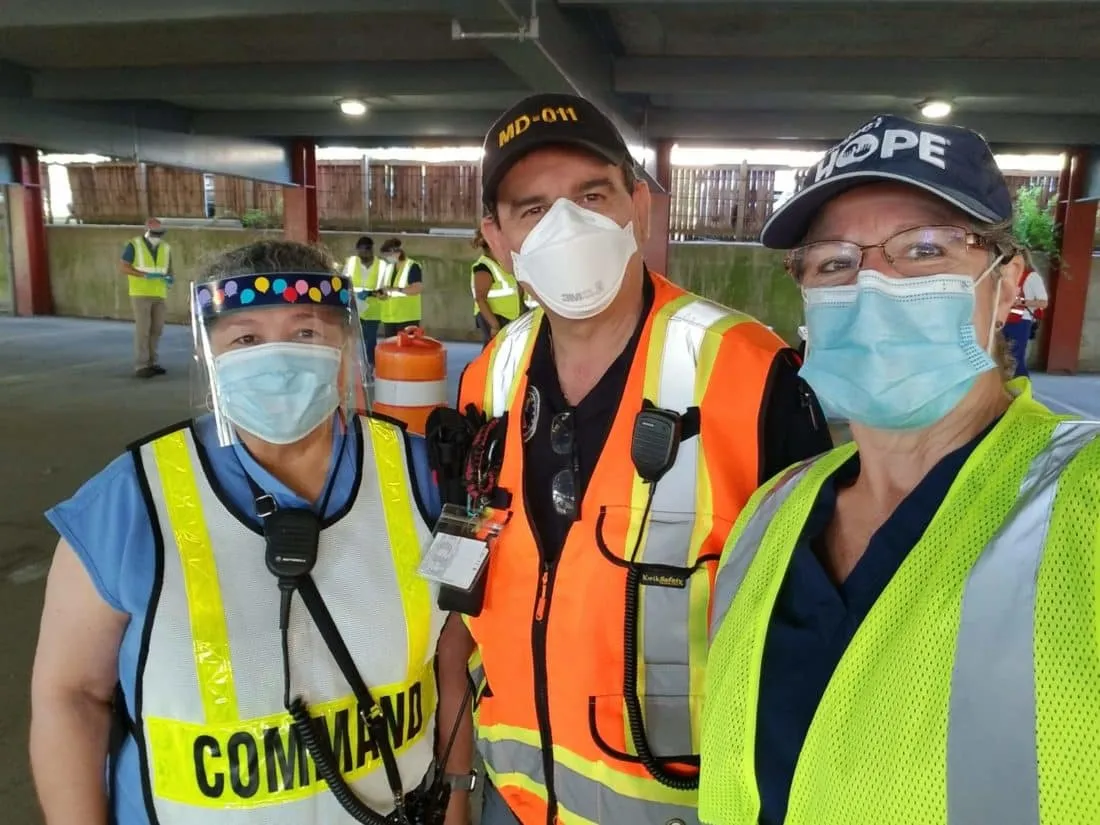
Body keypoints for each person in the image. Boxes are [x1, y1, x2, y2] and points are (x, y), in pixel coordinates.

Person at [442, 92, 832, 825]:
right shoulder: (487, 377)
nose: (569, 226)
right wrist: (459, 791)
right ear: (496, 238)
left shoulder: (754, 377)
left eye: (592, 195)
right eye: (533, 209)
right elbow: (465, 585)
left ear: (641, 208)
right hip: (513, 798)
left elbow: (812, 639)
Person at [700, 115, 1100, 825]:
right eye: (834, 262)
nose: (872, 286)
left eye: (922, 250)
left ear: (1006, 285)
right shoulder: (770, 515)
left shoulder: (1084, 493)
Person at [30, 240, 473, 825]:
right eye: (245, 339)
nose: (279, 358)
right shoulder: (131, 500)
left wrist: (458, 798)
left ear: (344, 343)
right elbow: (71, 695)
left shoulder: (429, 478)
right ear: (210, 355)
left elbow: (454, 650)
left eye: (306, 333)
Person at [120, 217, 173, 378]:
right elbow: (124, 267)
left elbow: (169, 269)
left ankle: (152, 362)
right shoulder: (134, 245)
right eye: (154, 232)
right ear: (147, 230)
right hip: (140, 292)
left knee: (156, 329)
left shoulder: (165, 247)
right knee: (143, 329)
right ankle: (142, 365)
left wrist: (170, 278)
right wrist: (144, 275)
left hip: (159, 293)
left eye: (160, 232)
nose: (158, 235)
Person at [343, 235, 389, 376]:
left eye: (367, 250)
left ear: (371, 250)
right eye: (361, 250)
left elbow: (386, 288)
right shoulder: (351, 263)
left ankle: (370, 366)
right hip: (354, 306)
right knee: (349, 337)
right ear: (357, 250)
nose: (364, 253)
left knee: (370, 339)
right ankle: (349, 364)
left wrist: (370, 293)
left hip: (372, 309)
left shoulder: (382, 265)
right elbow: (344, 281)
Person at [470, 228, 522, 346]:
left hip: (508, 317)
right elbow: (480, 298)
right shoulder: (483, 267)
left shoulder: (503, 265)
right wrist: (494, 325)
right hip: (494, 318)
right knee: (493, 353)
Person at [1003, 249, 1049, 377]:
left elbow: (1043, 302)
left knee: (1016, 358)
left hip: (1020, 321)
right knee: (1002, 359)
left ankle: (1024, 389)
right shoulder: (1005, 275)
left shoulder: (1032, 277)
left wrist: (1020, 302)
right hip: (1003, 320)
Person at [379, 238, 424, 338]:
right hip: (390, 318)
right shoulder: (389, 268)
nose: (387, 258)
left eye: (388, 254)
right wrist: (380, 294)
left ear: (397, 253)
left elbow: (417, 289)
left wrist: (396, 289)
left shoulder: (412, 266)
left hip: (407, 318)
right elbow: (385, 288)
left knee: (407, 351)